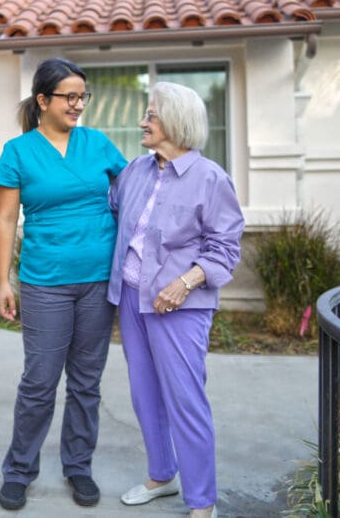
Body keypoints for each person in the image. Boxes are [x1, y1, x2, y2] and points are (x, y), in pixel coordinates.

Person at [0, 58, 127, 511]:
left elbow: (134, 194)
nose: (78, 104)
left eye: (82, 96)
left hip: (98, 279)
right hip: (45, 281)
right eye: (69, 96)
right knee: (39, 382)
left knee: (87, 382)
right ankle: (19, 470)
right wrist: (3, 279)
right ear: (43, 100)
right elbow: (7, 218)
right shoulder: (18, 150)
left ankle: (78, 466)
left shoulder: (98, 144)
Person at [108, 82, 244, 518]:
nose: (142, 123)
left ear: (176, 122)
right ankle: (161, 474)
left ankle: (202, 501)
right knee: (144, 393)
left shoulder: (211, 178)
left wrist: (184, 282)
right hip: (131, 298)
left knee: (185, 399)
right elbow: (113, 212)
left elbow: (225, 247)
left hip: (180, 306)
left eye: (150, 116)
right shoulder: (137, 170)